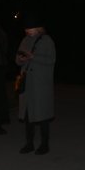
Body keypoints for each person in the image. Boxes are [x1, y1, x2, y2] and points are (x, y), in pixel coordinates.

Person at [16, 13, 56, 155]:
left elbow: (51, 60)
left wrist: (34, 57)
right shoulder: (25, 40)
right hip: (27, 82)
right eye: (26, 29)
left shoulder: (47, 41)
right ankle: (29, 143)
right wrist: (21, 59)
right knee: (28, 114)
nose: (27, 31)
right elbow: (17, 59)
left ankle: (44, 144)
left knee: (42, 115)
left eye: (30, 28)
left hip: (40, 84)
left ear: (38, 28)